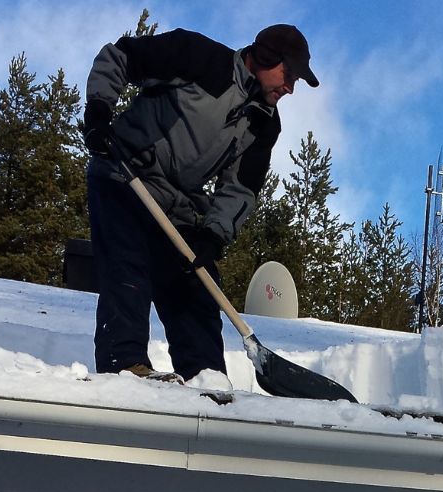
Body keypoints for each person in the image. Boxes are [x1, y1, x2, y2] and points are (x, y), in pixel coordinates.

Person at [81, 25, 319, 381]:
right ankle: (124, 366)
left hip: (178, 206)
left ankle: (207, 382)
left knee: (198, 288)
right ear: (266, 58)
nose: (289, 87)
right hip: (124, 175)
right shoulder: (198, 57)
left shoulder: (263, 123)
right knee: (128, 269)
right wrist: (99, 111)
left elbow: (240, 188)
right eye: (289, 74)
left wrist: (214, 235)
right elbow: (119, 57)